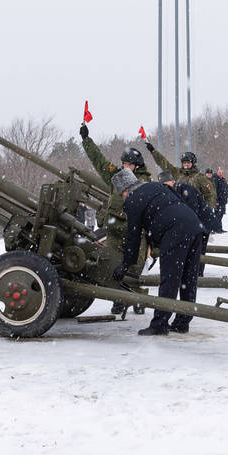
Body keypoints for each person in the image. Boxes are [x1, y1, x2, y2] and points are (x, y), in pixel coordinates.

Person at [111, 168, 204, 336]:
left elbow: (133, 235)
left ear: (125, 190)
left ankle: (160, 323)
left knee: (170, 278)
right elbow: (178, 201)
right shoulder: (156, 186)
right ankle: (183, 321)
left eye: (121, 194)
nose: (123, 198)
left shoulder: (132, 199)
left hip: (174, 230)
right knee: (188, 277)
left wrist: (126, 264)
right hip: (194, 224)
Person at [80, 122, 152, 314]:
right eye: (124, 164)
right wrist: (86, 140)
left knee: (134, 269)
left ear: (137, 166)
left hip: (135, 231)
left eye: (129, 164)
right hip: (114, 230)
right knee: (111, 266)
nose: (125, 167)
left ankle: (136, 298)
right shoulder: (117, 176)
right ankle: (118, 300)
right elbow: (99, 161)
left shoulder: (146, 183)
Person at [144, 143, 218, 209]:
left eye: (188, 163)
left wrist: (207, 209)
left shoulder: (200, 177)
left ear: (193, 163)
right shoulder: (177, 173)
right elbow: (164, 163)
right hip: (180, 208)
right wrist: (153, 151)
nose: (186, 165)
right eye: (184, 163)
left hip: (195, 210)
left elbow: (209, 195)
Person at [212, 167, 228, 233]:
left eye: (222, 173)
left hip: (223, 200)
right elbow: (215, 191)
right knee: (217, 215)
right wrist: (216, 201)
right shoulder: (215, 179)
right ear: (217, 172)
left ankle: (219, 228)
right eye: (219, 172)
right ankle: (216, 228)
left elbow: (226, 189)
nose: (221, 174)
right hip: (218, 201)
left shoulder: (223, 180)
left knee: (221, 214)